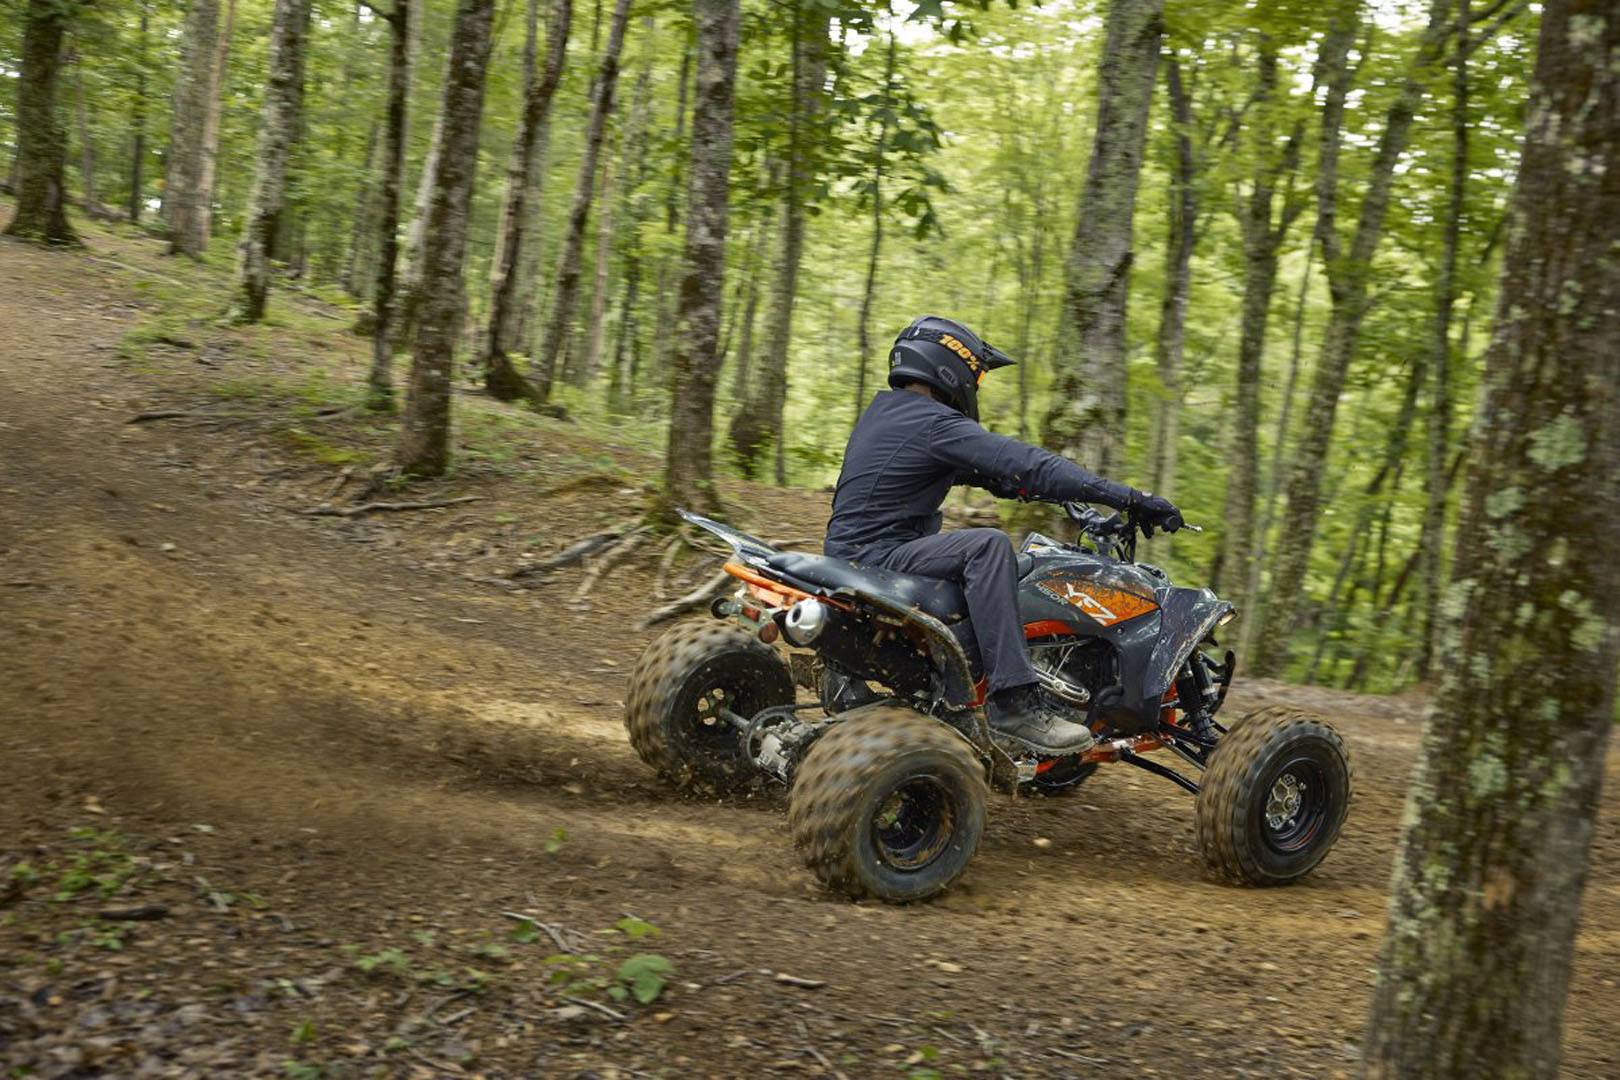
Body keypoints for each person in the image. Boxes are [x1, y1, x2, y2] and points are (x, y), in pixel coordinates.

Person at [823, 315, 1184, 755]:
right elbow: (1028, 462)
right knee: (988, 546)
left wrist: (1039, 492)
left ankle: (861, 678)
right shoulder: (936, 423)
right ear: (952, 367)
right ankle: (1014, 704)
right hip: (881, 553)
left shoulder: (887, 415)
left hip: (850, 552)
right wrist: (1127, 498)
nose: (976, 386)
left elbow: (995, 473)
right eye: (976, 375)